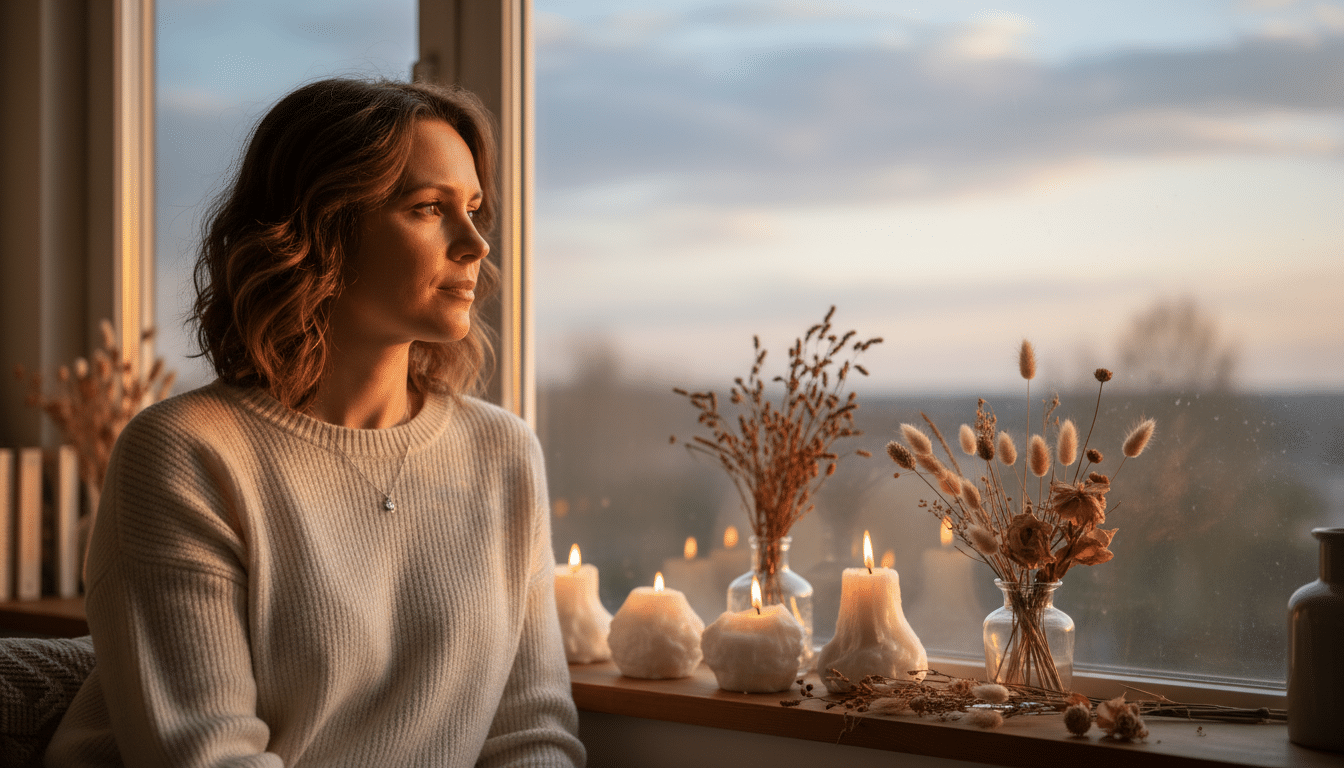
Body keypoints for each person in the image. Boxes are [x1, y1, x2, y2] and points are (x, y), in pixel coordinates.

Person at [46, 78, 585, 767]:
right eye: (429, 208)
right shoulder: (186, 455)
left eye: (474, 209)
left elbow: (531, 736)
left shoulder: (504, 453)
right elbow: (210, 758)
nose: (476, 245)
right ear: (321, 231)